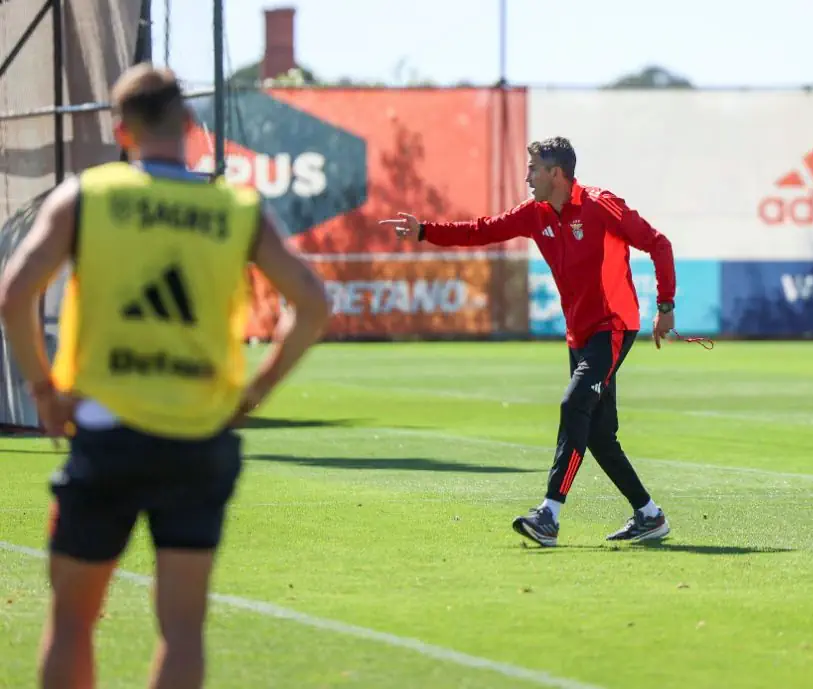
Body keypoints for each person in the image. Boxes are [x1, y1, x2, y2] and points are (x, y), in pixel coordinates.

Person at [0, 64, 330, 689]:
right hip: (198, 438)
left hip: (106, 432)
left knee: (72, 622)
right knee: (182, 629)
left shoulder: (89, 195)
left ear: (122, 132)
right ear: (188, 125)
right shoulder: (236, 208)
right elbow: (312, 303)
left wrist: (44, 390)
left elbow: (15, 291)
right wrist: (256, 391)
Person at [384, 136, 676, 547]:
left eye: (534, 169)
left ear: (556, 173)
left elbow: (658, 243)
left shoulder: (600, 204)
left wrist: (665, 306)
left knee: (574, 405)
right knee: (597, 433)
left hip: (612, 327)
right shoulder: (535, 213)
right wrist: (425, 231)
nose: (527, 177)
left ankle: (549, 515)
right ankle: (649, 514)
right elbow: (481, 231)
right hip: (579, 331)